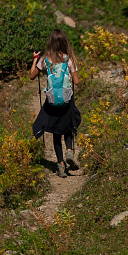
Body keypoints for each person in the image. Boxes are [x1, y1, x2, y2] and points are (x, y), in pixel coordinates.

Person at [30, 29, 81, 178]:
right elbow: (76, 82)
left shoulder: (45, 59)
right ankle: (70, 151)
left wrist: (35, 59)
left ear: (50, 43)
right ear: (64, 42)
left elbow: (32, 76)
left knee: (56, 133)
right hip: (66, 101)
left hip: (52, 101)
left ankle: (60, 165)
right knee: (68, 127)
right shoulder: (68, 59)